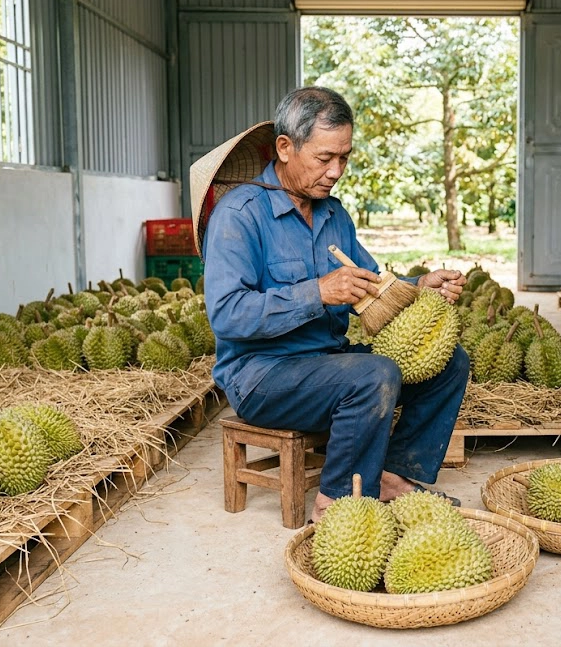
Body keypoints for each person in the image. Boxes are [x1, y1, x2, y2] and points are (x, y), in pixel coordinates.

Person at [189, 86, 470, 524]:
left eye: (345, 157)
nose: (336, 170)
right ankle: (336, 504)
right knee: (374, 374)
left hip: (329, 364)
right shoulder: (239, 215)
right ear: (285, 147)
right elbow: (227, 315)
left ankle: (392, 475)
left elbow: (372, 288)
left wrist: (421, 287)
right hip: (262, 375)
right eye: (325, 158)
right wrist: (316, 292)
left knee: (450, 362)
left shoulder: (334, 215)